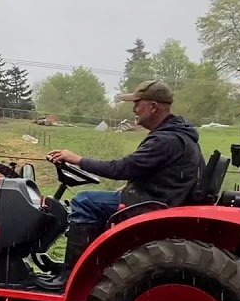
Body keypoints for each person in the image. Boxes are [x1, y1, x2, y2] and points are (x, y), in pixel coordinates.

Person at [44, 79, 205, 280]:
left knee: (84, 201)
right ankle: (87, 266)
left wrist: (78, 160)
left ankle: (73, 275)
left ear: (153, 107)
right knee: (93, 200)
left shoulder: (166, 140)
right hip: (158, 199)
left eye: (137, 103)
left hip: (151, 205)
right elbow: (148, 173)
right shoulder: (178, 135)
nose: (134, 109)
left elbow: (122, 168)